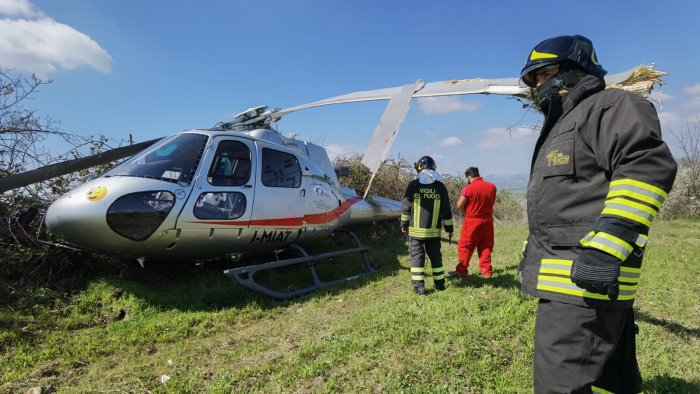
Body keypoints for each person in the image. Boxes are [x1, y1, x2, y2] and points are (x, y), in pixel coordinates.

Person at [518, 34, 677, 393]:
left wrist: (608, 245)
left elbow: (647, 165)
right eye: (534, 81)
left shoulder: (610, 105)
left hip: (586, 282)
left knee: (558, 386)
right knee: (611, 380)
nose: (538, 86)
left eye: (544, 75)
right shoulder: (565, 124)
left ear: (572, 71)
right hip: (571, 283)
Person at [400, 156, 454, 295]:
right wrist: (449, 228)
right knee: (435, 256)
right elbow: (446, 210)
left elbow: (406, 207)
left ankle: (419, 287)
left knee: (417, 256)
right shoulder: (440, 187)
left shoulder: (413, 185)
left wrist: (403, 224)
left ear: (419, 168)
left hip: (416, 232)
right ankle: (440, 284)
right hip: (433, 232)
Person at [450, 167, 497, 277]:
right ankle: (486, 272)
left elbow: (459, 205)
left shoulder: (468, 188)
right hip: (488, 220)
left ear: (469, 177)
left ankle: (461, 271)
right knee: (485, 246)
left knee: (466, 245)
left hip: (472, 220)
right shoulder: (492, 187)